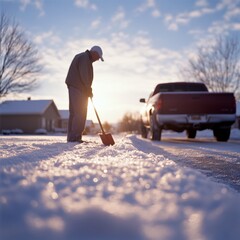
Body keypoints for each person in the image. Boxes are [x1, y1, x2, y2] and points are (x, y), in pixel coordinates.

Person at [65, 46, 104, 143]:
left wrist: (87, 89)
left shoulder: (84, 57)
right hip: (79, 88)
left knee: (75, 113)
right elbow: (85, 74)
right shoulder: (85, 58)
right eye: (98, 57)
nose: (97, 59)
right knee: (80, 112)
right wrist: (88, 89)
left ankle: (72, 137)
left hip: (75, 86)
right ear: (94, 53)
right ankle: (75, 137)